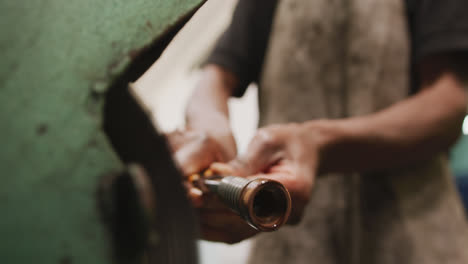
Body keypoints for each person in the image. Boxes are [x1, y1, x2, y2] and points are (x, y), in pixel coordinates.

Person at [167, 0, 468, 263]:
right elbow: (213, 80)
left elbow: (449, 98)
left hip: (416, 236)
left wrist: (320, 144)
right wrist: (212, 131)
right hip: (289, 243)